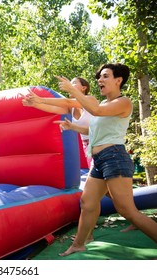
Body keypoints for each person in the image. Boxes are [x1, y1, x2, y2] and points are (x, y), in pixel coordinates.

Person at [54, 63, 157, 256]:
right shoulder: (101, 105)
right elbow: (93, 130)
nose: (100, 80)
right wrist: (72, 127)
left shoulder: (124, 102)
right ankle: (78, 244)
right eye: (99, 77)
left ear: (118, 80)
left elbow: (96, 111)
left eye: (105, 76)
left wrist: (72, 90)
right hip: (100, 160)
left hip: (114, 157)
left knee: (127, 210)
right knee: (87, 202)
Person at [21, 77, 94, 167]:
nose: (70, 85)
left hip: (100, 143)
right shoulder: (71, 108)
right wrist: (35, 104)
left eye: (74, 83)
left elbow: (67, 102)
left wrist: (41, 99)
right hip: (87, 146)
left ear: (84, 88)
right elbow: (53, 108)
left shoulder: (90, 100)